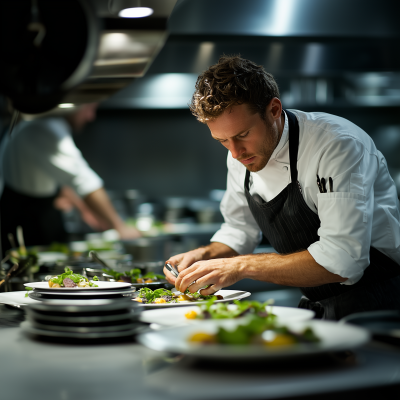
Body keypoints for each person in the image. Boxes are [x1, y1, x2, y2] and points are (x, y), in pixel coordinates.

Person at [164, 55, 400, 320]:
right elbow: (239, 230)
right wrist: (203, 256)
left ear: (274, 110)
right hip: (317, 305)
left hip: (379, 307)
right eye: (222, 140)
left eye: (243, 135)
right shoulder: (239, 156)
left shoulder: (336, 145)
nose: (236, 152)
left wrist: (242, 265)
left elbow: (343, 261)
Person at [0, 103, 140, 253]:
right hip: (26, 224)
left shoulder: (42, 124)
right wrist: (120, 227)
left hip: (34, 213)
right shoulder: (44, 128)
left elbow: (60, 176)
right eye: (89, 108)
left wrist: (84, 208)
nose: (90, 117)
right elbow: (85, 181)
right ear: (74, 105)